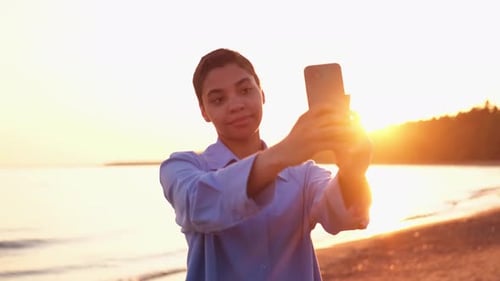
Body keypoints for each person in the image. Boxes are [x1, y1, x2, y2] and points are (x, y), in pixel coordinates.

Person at [159, 48, 373, 281]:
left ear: (262, 94)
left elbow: (345, 218)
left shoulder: (303, 176)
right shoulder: (182, 167)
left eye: (245, 90)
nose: (236, 104)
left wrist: (353, 171)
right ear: (204, 111)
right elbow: (197, 203)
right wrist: (284, 153)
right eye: (219, 99)